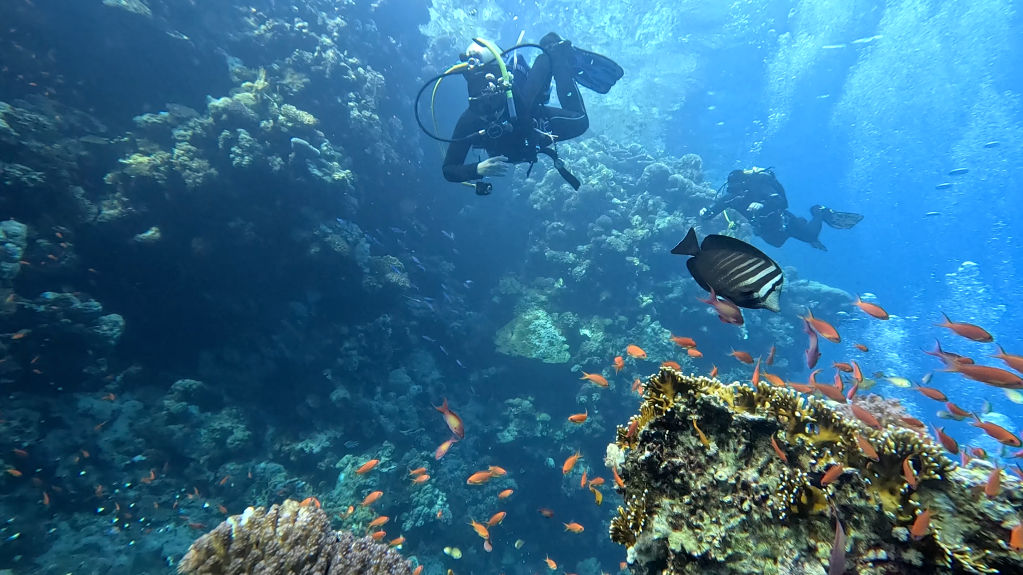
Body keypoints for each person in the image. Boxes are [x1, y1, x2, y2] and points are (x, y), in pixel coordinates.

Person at [440, 33, 622, 193]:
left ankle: (557, 55)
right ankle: (554, 56)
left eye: (494, 104)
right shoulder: (470, 119)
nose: (490, 112)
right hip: (527, 137)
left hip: (533, 125)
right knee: (545, 66)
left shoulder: (511, 95)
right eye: (482, 107)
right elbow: (449, 169)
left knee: (579, 118)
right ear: (472, 102)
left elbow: (525, 114)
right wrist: (477, 169)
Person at [699, 167, 862, 251]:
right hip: (767, 231)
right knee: (777, 244)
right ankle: (802, 221)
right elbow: (713, 210)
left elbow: (782, 202)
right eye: (733, 190)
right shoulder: (731, 198)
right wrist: (706, 213)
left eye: (740, 188)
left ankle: (819, 211)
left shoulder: (760, 188)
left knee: (811, 236)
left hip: (784, 221)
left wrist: (763, 204)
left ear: (747, 184)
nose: (738, 193)